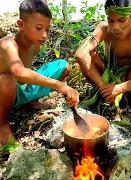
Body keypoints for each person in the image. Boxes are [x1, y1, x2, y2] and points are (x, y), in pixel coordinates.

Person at [0, 0, 79, 144]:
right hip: (4, 91)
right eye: (38, 28)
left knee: (63, 66)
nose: (44, 35)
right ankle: (2, 125)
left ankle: (29, 103)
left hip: (19, 89)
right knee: (7, 79)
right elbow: (18, 72)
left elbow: (26, 74)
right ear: (21, 25)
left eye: (48, 29)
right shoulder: (8, 44)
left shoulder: (35, 46)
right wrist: (58, 84)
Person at [75, 0, 131, 115]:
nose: (115, 27)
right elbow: (80, 54)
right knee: (90, 54)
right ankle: (103, 94)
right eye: (110, 21)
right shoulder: (103, 28)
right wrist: (103, 86)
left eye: (121, 20)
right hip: (109, 74)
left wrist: (120, 88)